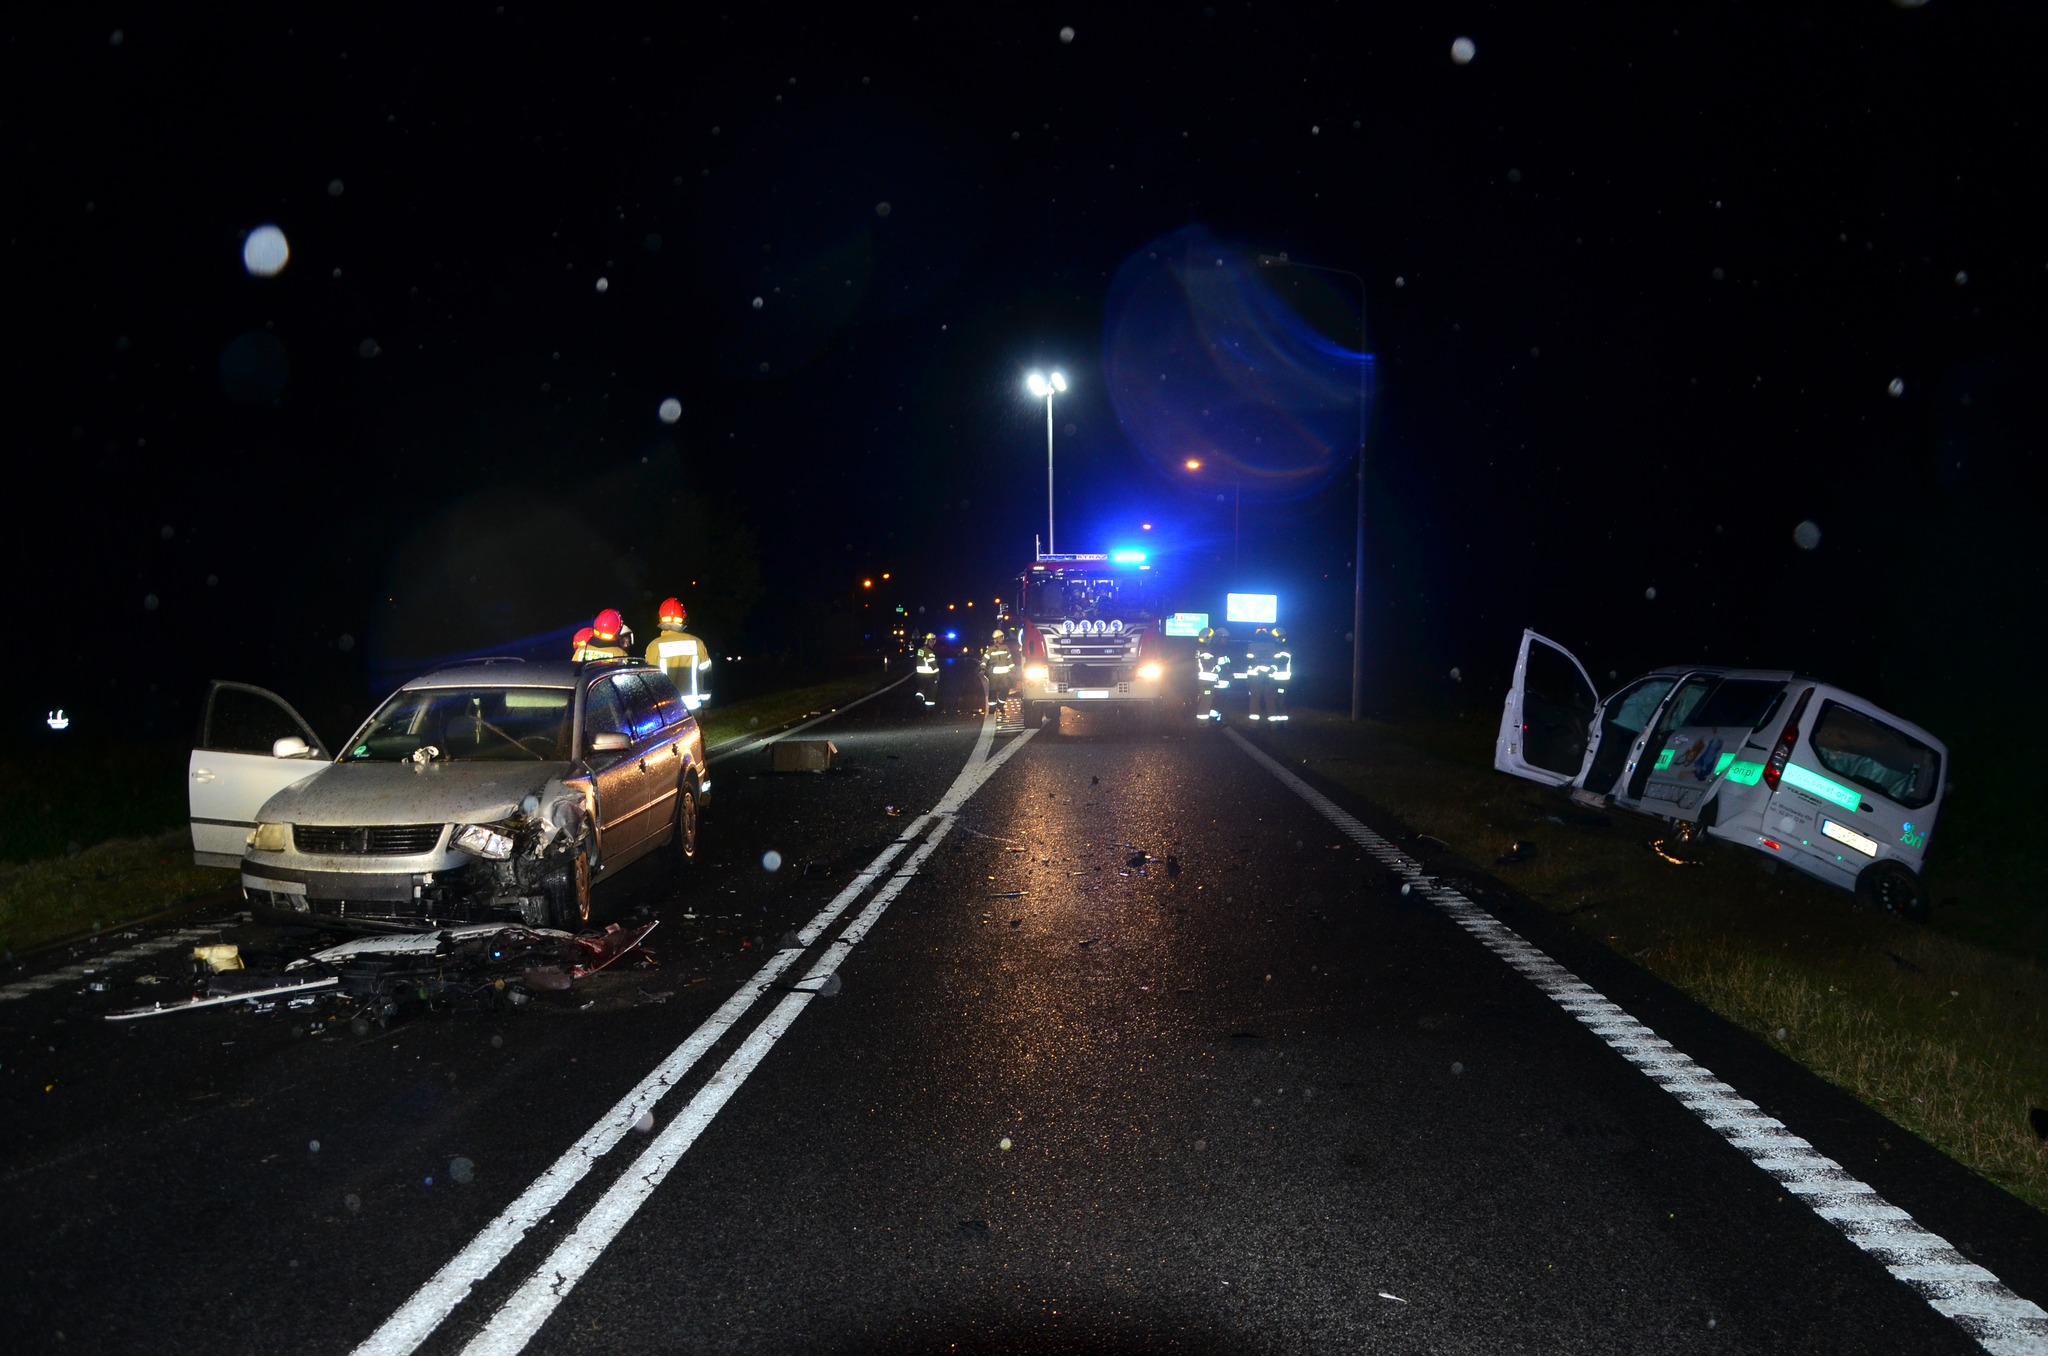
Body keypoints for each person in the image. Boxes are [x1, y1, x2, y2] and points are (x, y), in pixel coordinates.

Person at [645, 596, 712, 711]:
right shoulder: (698, 643)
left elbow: (648, 682)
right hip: (693, 709)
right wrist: (706, 707)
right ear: (683, 618)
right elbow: (706, 677)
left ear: (661, 618)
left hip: (666, 712)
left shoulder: (653, 646)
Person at [1243, 624, 1292, 722]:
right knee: (1271, 701)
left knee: (1273, 701)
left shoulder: (1253, 646)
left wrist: (1252, 676)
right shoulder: (1274, 647)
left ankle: (1264, 724)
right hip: (1271, 678)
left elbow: (1249, 662)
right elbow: (1274, 663)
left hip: (1274, 679)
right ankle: (1274, 724)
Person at [1195, 624, 1232, 722]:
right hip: (1208, 681)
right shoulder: (1207, 651)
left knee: (1209, 703)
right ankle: (1204, 724)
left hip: (1210, 682)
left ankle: (1210, 721)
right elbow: (1209, 667)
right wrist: (1218, 668)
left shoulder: (1204, 649)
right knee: (1207, 703)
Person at [980, 627, 1017, 714]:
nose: (1002, 639)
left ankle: (1000, 705)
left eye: (1002, 637)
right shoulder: (990, 649)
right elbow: (984, 660)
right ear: (996, 639)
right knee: (993, 690)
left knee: (1005, 689)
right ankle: (992, 708)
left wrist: (1013, 670)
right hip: (994, 674)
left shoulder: (1005, 648)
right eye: (1000, 637)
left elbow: (1010, 660)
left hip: (1004, 673)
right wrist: (982, 668)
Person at [913, 632, 940, 708]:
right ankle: (929, 706)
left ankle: (919, 695)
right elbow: (932, 664)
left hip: (920, 675)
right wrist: (937, 674)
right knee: (932, 690)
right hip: (929, 675)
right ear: (927, 641)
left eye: (933, 641)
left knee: (922, 687)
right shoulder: (929, 651)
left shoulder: (921, 650)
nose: (933, 643)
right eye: (931, 641)